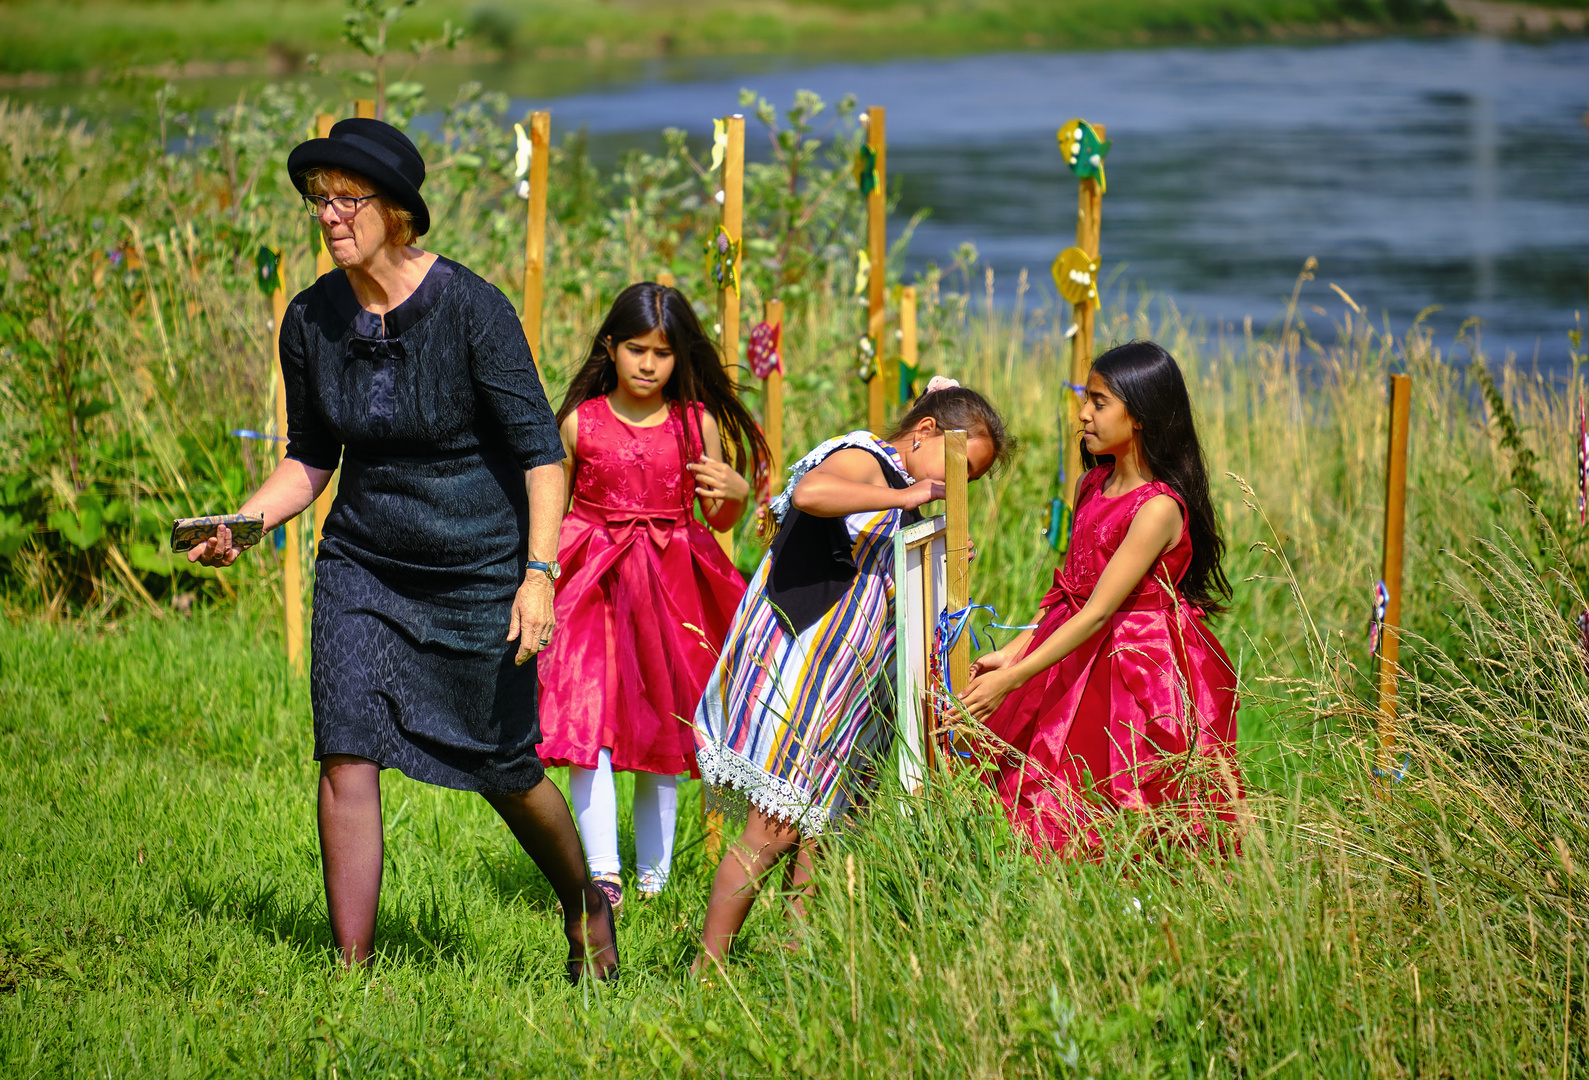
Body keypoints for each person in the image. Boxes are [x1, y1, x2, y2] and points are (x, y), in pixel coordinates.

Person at [189, 118, 616, 979]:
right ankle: (352, 975)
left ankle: (585, 904)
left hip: (479, 568)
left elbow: (542, 453)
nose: (329, 215)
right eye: (319, 199)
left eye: (348, 199)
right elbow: (310, 457)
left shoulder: (471, 309)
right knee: (345, 744)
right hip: (363, 562)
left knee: (503, 765)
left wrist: (538, 578)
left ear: (397, 212)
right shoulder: (310, 319)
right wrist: (244, 522)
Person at [690, 379, 1013, 969]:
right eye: (958, 468)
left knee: (825, 836)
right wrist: (911, 494)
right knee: (775, 826)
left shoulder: (910, 490)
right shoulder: (868, 458)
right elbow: (811, 492)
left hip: (850, 687)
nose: (956, 487)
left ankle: (795, 973)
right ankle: (705, 975)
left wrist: (939, 549)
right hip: (799, 663)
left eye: (971, 480)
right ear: (924, 433)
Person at [958, 340, 1241, 856]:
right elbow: (1073, 590)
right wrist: (1017, 650)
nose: (1084, 413)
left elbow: (1100, 611)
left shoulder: (1156, 509)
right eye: (1086, 399)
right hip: (1079, 647)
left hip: (1135, 666)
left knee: (1118, 790)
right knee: (1041, 784)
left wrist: (1014, 679)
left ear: (1140, 417)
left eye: (1099, 401)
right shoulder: (1093, 483)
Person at [536, 283, 766, 908]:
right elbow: (552, 510)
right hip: (589, 583)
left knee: (666, 732)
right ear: (610, 347)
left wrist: (738, 495)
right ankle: (603, 873)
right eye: (635, 349)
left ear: (679, 357)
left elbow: (716, 517)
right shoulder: (578, 423)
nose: (647, 364)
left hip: (670, 588)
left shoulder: (699, 424)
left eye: (662, 354)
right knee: (590, 726)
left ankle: (656, 881)